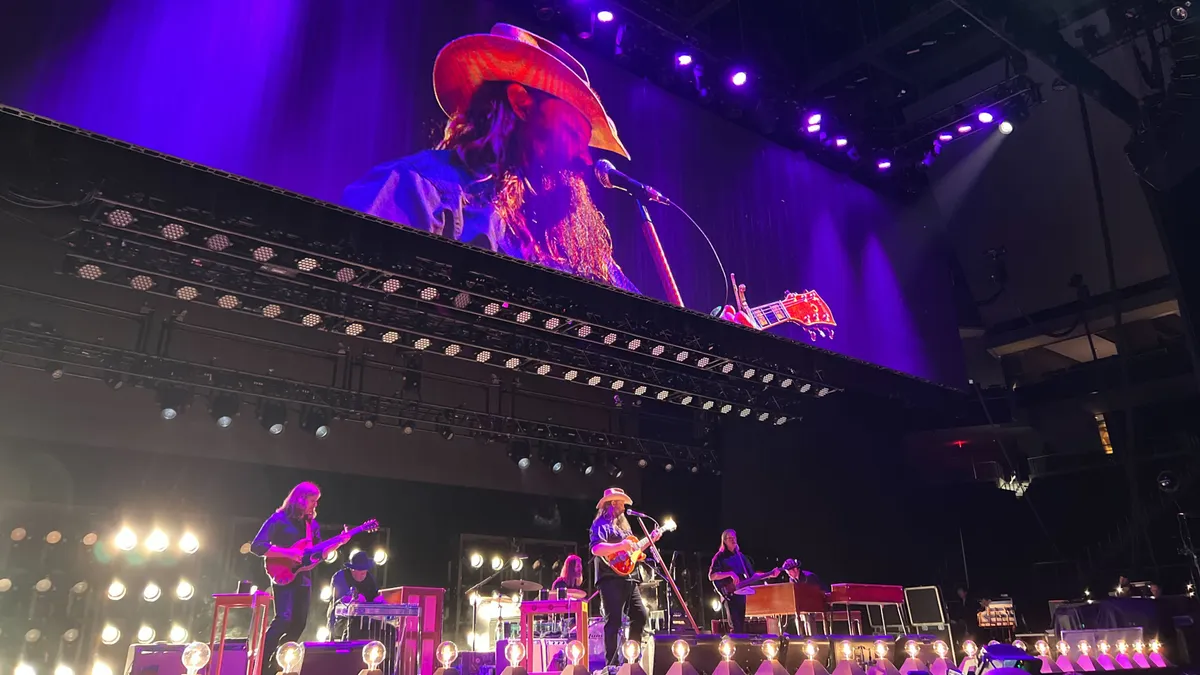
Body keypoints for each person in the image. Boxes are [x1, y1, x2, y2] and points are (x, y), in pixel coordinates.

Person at [342, 23, 757, 324]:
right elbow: (349, 284)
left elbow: (643, 330)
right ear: (522, 103)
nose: (581, 156)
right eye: (573, 134)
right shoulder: (422, 187)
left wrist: (713, 337)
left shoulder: (578, 241)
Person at [251, 482, 322, 674]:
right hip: (283, 574)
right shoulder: (279, 519)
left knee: (299, 623)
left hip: (304, 577)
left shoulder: (312, 524)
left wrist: (339, 542)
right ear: (300, 499)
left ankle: (277, 664)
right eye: (312, 501)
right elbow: (257, 546)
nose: (315, 505)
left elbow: (317, 554)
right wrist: (287, 554)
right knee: (283, 619)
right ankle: (260, 665)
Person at [590, 488, 657, 668]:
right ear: (612, 504)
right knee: (614, 621)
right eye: (620, 503)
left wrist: (651, 540)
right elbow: (596, 549)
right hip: (610, 578)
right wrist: (621, 545)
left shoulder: (624, 528)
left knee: (640, 615)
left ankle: (630, 660)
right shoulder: (600, 525)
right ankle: (612, 665)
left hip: (629, 578)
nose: (623, 507)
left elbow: (632, 552)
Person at [708, 529, 778, 633]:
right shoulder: (719, 557)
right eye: (730, 538)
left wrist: (770, 574)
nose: (733, 540)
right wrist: (730, 574)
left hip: (741, 594)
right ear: (724, 541)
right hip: (729, 594)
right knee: (735, 625)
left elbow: (753, 576)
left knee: (740, 625)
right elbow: (712, 576)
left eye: (734, 538)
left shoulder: (741, 557)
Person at [328, 550, 386, 640]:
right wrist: (353, 600)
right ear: (352, 569)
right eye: (359, 570)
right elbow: (338, 605)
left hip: (365, 623)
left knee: (389, 631)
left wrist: (379, 602)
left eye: (364, 570)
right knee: (354, 624)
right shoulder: (340, 577)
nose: (362, 573)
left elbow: (375, 598)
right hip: (340, 622)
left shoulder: (370, 579)